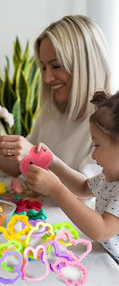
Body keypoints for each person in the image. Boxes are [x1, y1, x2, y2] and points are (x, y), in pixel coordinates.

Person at [0, 15, 111, 178]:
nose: (47, 78)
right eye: (44, 67)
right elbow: (21, 168)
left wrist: (33, 155)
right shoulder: (51, 112)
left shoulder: (110, 121)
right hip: (41, 204)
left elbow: (87, 192)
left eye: (55, 66)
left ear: (85, 64)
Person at [27, 90, 119, 263]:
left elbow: (101, 229)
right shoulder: (110, 177)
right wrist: (53, 162)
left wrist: (55, 189)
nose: (93, 155)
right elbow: (83, 187)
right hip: (105, 258)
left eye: (97, 145)